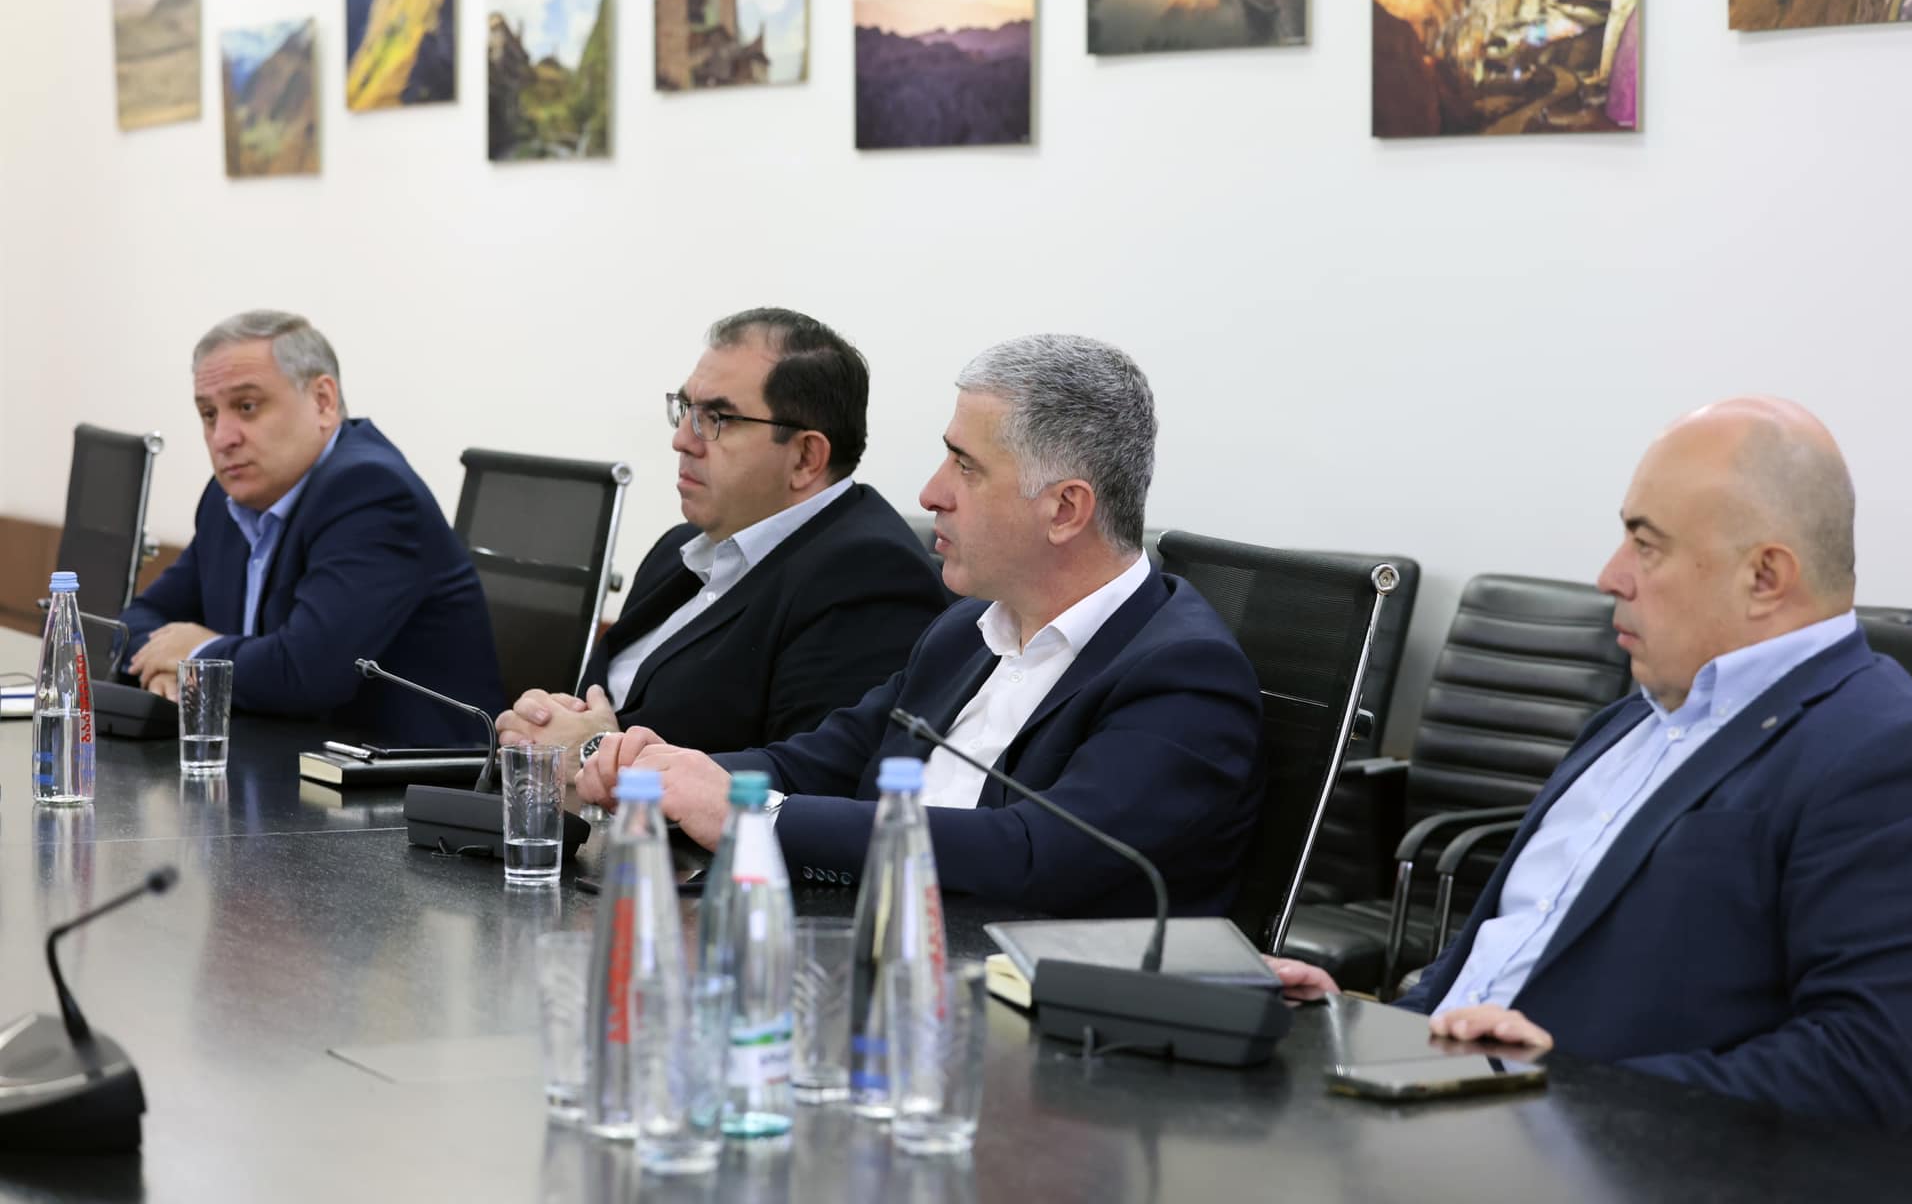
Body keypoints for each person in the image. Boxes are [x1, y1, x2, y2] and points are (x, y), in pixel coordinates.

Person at [1267, 397, 1912, 1135]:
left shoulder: (1902, 759)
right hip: (1440, 1119)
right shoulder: (1631, 722)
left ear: (1765, 576)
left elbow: (1866, 1075)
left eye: (1646, 545)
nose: (1609, 575)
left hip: (1606, 1158)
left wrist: (1563, 1092)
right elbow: (1498, 973)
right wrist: (1352, 1028)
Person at [577, 334, 1264, 918]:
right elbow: (823, 762)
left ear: (1064, 510)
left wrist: (751, 813)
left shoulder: (1182, 674)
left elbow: (1043, 854)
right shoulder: (964, 633)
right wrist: (664, 772)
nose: (932, 493)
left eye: (966, 466)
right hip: (869, 953)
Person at [494, 307, 947, 766]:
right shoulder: (679, 550)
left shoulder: (867, 575)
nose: (682, 440)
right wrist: (547, 723)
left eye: (717, 418)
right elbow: (603, 707)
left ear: (806, 457)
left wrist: (599, 753)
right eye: (685, 409)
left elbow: (811, 778)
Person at [121, 310, 501, 744]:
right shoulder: (229, 498)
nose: (223, 437)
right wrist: (167, 669)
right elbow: (134, 623)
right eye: (208, 414)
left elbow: (307, 672)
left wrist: (193, 659)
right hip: (280, 760)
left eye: (246, 407)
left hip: (410, 773)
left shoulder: (370, 491)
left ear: (322, 401)